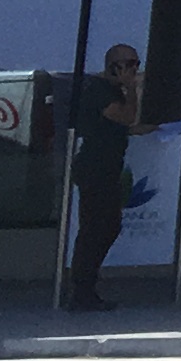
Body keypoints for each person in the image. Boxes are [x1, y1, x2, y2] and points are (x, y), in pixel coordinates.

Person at [63, 42, 139, 313]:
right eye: (129, 64)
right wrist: (131, 89)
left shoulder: (113, 92)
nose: (134, 70)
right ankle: (81, 290)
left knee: (107, 227)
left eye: (136, 64)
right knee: (96, 229)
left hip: (107, 168)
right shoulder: (99, 90)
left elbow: (119, 125)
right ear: (114, 66)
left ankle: (87, 285)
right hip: (95, 169)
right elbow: (126, 116)